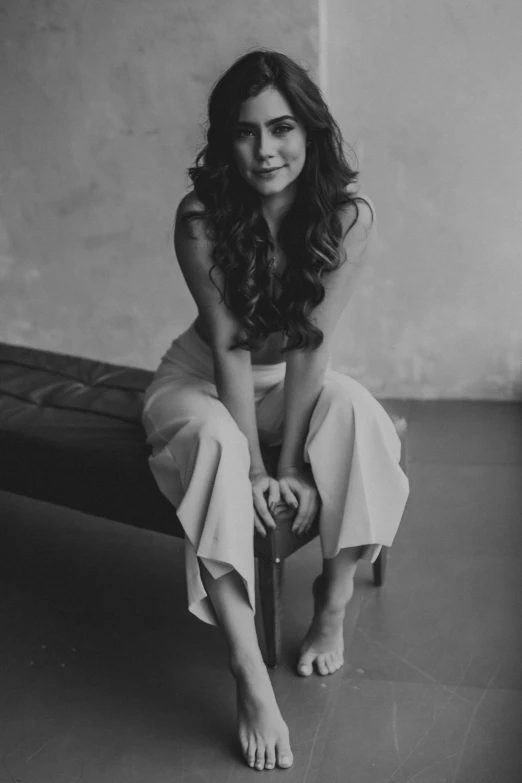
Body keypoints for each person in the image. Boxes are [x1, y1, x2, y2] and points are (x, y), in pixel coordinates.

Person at [141, 49, 409, 772]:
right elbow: (229, 348)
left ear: (311, 130)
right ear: (224, 141)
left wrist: (293, 461)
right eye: (244, 131)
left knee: (357, 413)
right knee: (221, 451)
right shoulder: (201, 216)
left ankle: (333, 598)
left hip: (288, 376)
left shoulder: (348, 217)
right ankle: (248, 673)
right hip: (202, 378)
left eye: (282, 127)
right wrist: (260, 470)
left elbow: (309, 348)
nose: (265, 150)